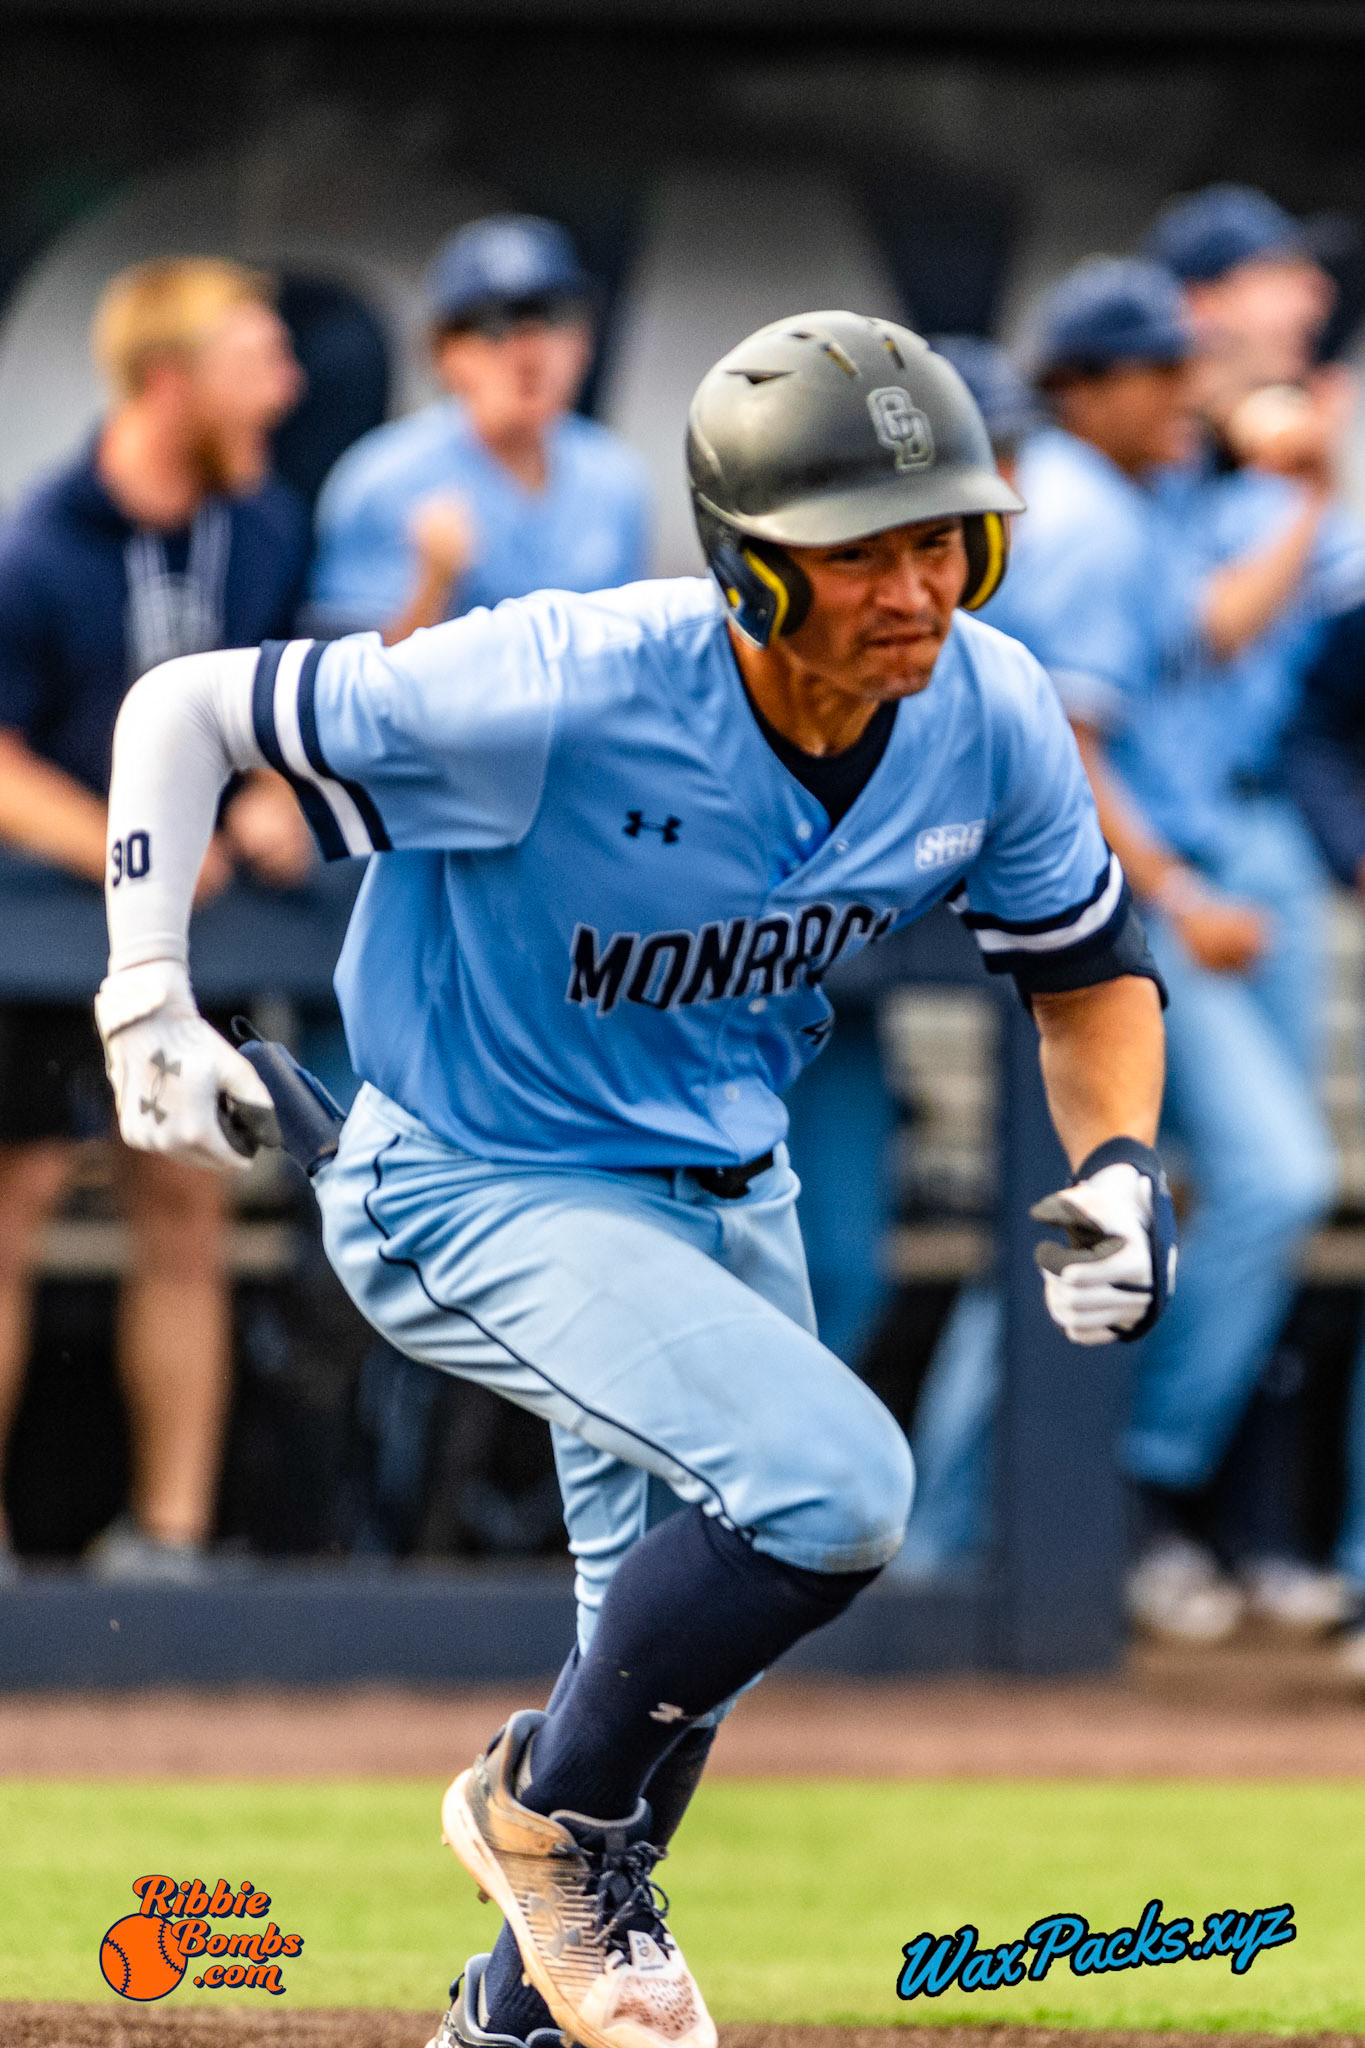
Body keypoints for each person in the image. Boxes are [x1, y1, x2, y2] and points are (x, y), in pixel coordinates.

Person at [93, 313, 1173, 2048]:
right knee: (832, 1490)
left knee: (664, 1667)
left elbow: (1088, 965)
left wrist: (1118, 1160)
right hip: (476, 1175)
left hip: (723, 1187)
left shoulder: (991, 709)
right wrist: (146, 984)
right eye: (859, 551)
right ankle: (531, 1808)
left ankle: (507, 2020)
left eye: (942, 540)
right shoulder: (560, 681)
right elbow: (185, 708)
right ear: (751, 569)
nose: (915, 590)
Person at [996, 248, 1355, 1640]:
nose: (1185, 396)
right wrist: (1180, 894)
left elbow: (1205, 633)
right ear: (1084, 387)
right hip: (1108, 903)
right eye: (1159, 373)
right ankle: (1120, 1488)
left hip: (1143, 886)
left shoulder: (1126, 504)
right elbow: (1068, 751)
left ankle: (1021, 1515)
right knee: (1266, 1179)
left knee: (1095, 1220)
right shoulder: (1085, 513)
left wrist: (1308, 489)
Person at [0, 256, 312, 1582]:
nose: (284, 387)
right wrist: (137, 852)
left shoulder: (266, 524)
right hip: (32, 937)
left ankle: (170, 1548)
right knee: (7, 1213)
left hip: (196, 946)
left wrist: (263, 795)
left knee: (186, 1215)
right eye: (256, 360)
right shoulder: (36, 542)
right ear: (168, 380)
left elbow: (282, 709)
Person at [306, 213, 650, 644]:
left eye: (552, 318)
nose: (528, 353)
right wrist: (433, 584)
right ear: (444, 354)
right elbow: (347, 688)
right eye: (494, 326)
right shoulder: (379, 479)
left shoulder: (615, 475)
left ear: (585, 343)